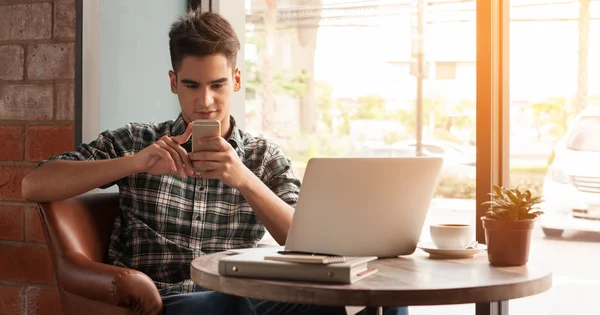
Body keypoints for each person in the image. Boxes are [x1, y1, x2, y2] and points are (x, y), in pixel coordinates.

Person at [22, 9, 408, 315]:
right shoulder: (138, 141)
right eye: (191, 85)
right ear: (174, 82)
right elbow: (34, 185)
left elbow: (306, 242)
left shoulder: (262, 157)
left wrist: (243, 179)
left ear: (236, 80)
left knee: (377, 300)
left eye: (217, 85)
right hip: (169, 301)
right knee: (227, 304)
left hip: (251, 300)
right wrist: (134, 163)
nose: (205, 101)